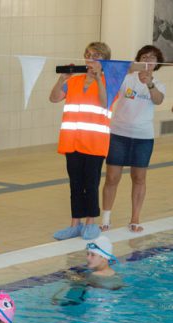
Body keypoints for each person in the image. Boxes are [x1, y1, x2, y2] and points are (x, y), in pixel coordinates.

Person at [50, 41, 112, 241]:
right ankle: (74, 224)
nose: (90, 59)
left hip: (94, 143)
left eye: (96, 56)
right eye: (88, 54)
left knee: (91, 184)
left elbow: (105, 102)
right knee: (75, 184)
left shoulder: (110, 81)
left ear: (104, 61)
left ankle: (91, 223)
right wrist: (62, 79)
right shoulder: (74, 82)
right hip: (72, 142)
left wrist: (99, 79)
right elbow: (53, 98)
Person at [101, 45, 166, 233]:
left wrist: (150, 83)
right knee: (112, 177)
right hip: (119, 133)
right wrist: (132, 68)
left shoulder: (159, 84)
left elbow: (158, 100)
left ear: (157, 63)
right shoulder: (126, 79)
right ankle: (106, 218)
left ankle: (135, 218)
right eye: (144, 57)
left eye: (153, 58)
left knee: (139, 178)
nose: (148, 60)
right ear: (138, 60)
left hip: (143, 137)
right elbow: (115, 76)